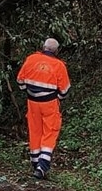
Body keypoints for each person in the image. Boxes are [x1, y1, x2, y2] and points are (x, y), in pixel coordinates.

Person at [16, 38, 71, 179]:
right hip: (49, 103)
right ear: (56, 51)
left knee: (35, 131)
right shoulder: (59, 65)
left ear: (43, 47)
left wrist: (29, 91)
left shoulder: (31, 59)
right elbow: (64, 91)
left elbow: (20, 81)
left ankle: (35, 164)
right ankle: (42, 166)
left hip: (32, 102)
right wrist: (55, 97)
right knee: (50, 131)